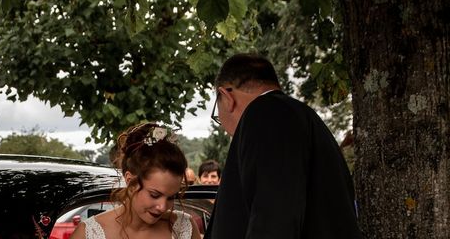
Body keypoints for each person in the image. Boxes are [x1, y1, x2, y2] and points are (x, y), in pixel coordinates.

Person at [206, 53, 362, 239]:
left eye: (217, 113)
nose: (223, 126)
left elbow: (274, 216)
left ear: (226, 96)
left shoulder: (266, 113)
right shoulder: (306, 119)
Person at [70, 122, 201, 239]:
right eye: (154, 195)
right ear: (130, 182)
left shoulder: (184, 228)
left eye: (171, 197)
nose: (162, 207)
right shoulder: (89, 234)